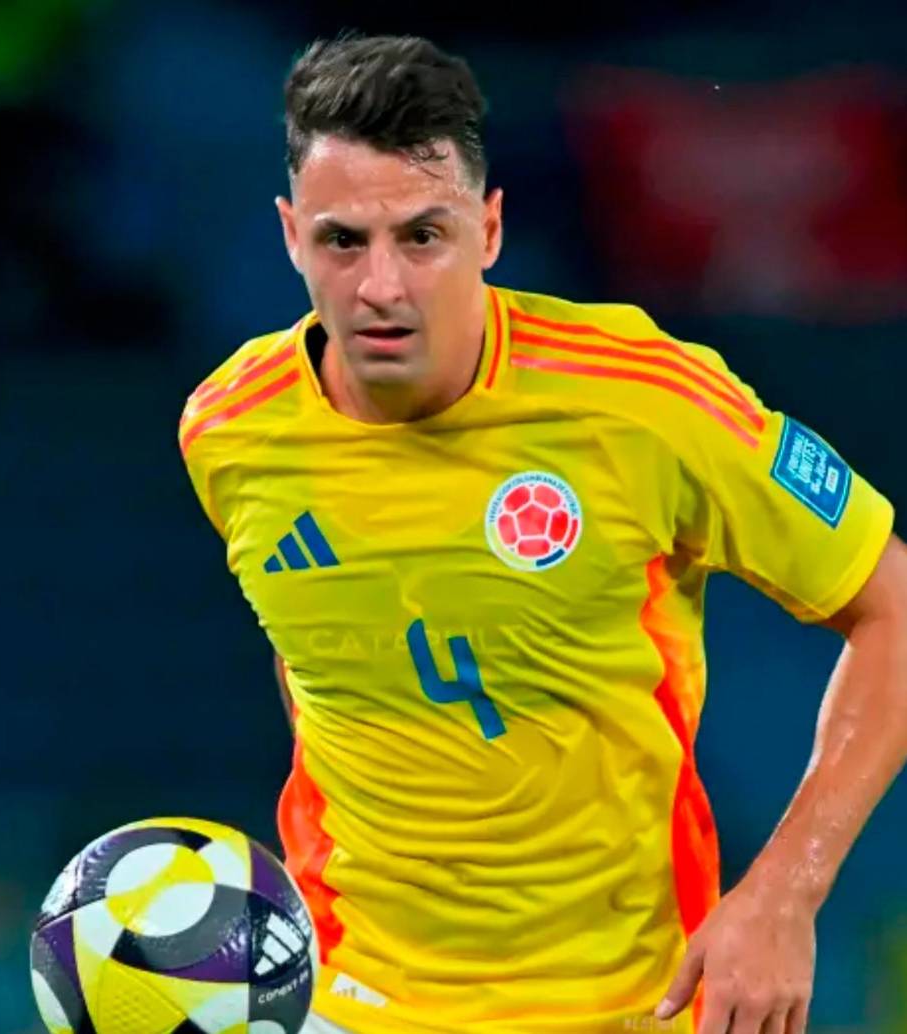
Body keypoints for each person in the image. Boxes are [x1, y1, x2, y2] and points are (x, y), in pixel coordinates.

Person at [178, 32, 907, 1034]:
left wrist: (784, 891)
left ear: (488, 229)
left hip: (628, 999)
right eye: (343, 240)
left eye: (421, 236)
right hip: (353, 1001)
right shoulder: (229, 430)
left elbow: (893, 606)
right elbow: (314, 645)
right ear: (290, 234)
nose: (380, 286)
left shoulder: (644, 401)